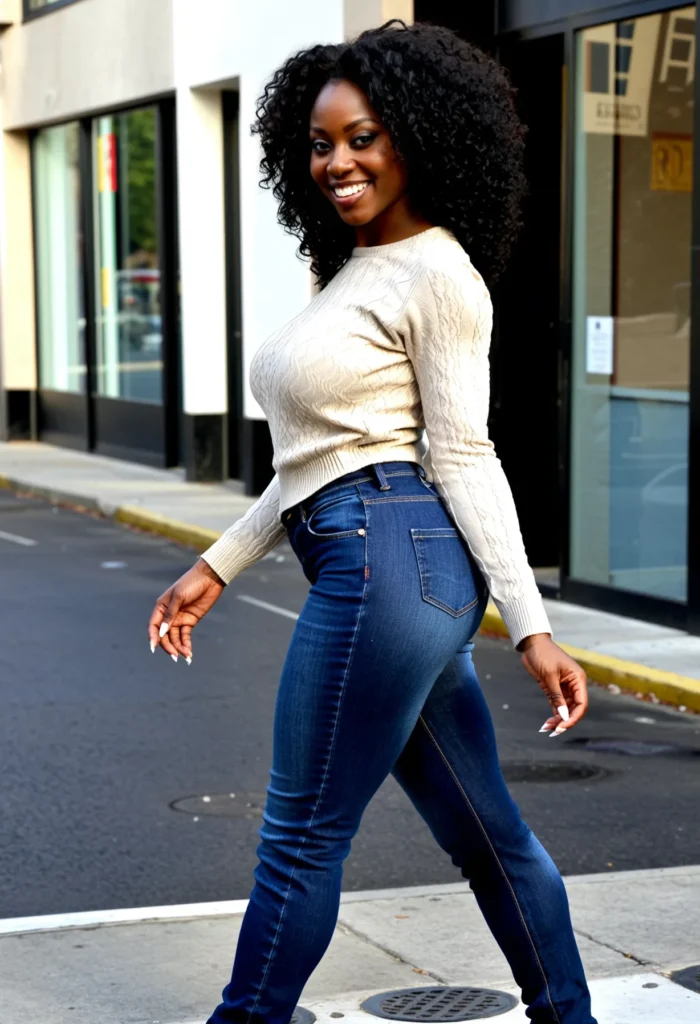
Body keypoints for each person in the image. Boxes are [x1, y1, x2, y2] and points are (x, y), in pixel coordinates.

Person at [148, 20, 597, 1024]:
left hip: (387, 557)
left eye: (363, 136)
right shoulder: (350, 271)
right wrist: (218, 563)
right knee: (487, 833)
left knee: (301, 834)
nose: (337, 160)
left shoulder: (438, 274)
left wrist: (531, 623)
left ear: (420, 138)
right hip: (388, 558)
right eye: (319, 141)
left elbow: (462, 452)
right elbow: (319, 455)